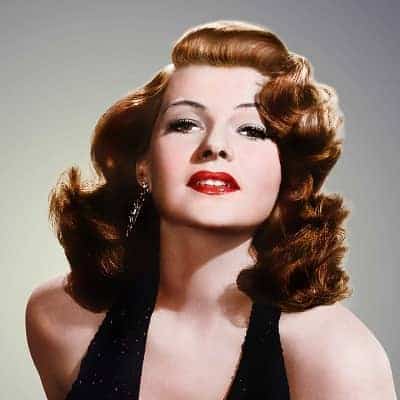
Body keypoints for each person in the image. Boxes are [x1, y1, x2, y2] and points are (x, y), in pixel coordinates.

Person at [25, 20, 397, 399]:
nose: (215, 145)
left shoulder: (337, 358)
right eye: (185, 123)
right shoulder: (59, 320)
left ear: (289, 174)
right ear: (144, 165)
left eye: (251, 130)